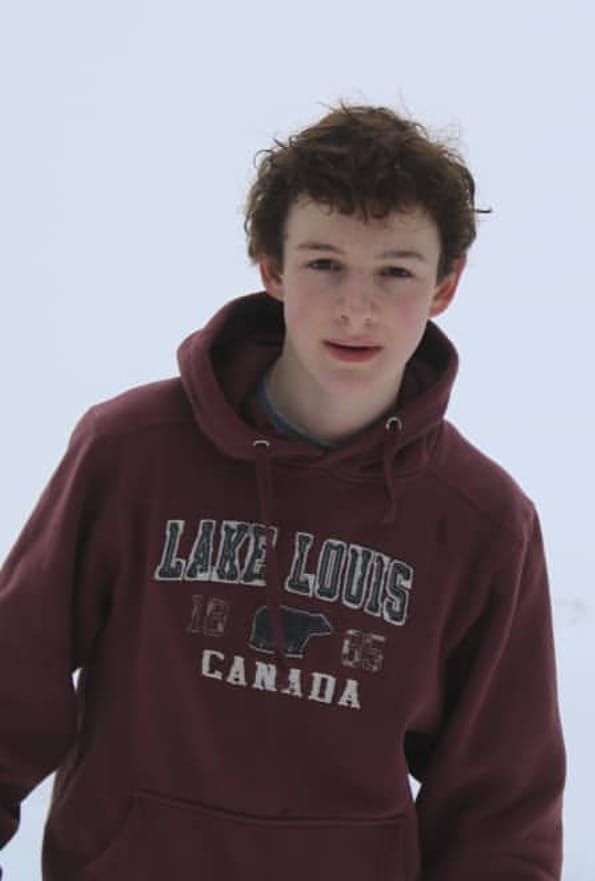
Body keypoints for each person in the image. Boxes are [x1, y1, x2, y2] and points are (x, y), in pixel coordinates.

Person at [0, 100, 565, 880]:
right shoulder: (131, 452)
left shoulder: (480, 522)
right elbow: (11, 678)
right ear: (270, 265)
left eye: (394, 270)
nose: (355, 306)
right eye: (323, 262)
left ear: (444, 286)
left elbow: (499, 810)